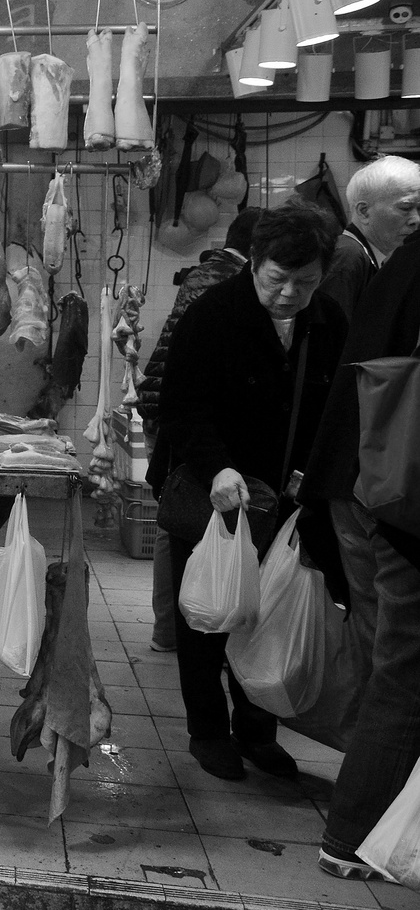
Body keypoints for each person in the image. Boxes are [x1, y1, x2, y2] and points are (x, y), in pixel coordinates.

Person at [152, 204, 347, 782]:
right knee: (207, 615)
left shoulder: (329, 320)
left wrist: (317, 476)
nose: (289, 293)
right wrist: (216, 468)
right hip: (216, 494)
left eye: (305, 282)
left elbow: (336, 412)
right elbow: (182, 405)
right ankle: (207, 731)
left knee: (266, 613)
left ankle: (257, 730)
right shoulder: (212, 314)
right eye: (276, 279)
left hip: (286, 499)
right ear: (255, 263)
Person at [302, 231, 420, 880]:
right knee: (403, 666)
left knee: (387, 657)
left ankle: (363, 811)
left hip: (368, 479)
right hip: (400, 495)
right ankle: (357, 833)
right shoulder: (364, 261)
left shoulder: (402, 260)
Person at [137, 207, 263, 653]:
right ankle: (172, 630)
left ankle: (180, 626)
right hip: (179, 415)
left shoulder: (205, 274)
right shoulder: (223, 285)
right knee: (179, 516)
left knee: (180, 516)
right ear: (257, 251)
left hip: (166, 406)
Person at [317, 154, 420, 321]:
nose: (416, 220)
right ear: (364, 211)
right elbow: (332, 339)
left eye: (419, 209)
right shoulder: (347, 257)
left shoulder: (369, 256)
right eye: (405, 208)